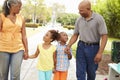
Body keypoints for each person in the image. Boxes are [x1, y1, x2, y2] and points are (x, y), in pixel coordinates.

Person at [65, 0, 108, 80]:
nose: (79, 12)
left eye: (81, 10)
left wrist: (100, 53)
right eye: (79, 10)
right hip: (81, 47)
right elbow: (75, 35)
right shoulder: (79, 20)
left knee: (91, 72)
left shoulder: (98, 19)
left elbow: (104, 36)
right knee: (80, 72)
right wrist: (68, 45)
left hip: (93, 48)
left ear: (88, 9)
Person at [0, 0, 28, 80]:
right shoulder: (2, 16)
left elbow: (24, 35)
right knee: (2, 75)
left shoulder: (21, 18)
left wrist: (26, 50)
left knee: (15, 75)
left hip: (18, 48)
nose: (20, 9)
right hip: (3, 48)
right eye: (19, 7)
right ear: (11, 6)